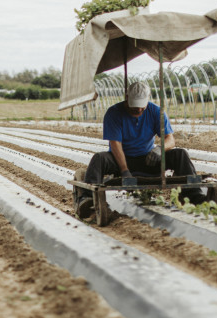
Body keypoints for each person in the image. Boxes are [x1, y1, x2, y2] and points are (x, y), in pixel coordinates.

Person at [75, 81, 204, 220]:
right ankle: (87, 199)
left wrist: (160, 149)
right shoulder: (114, 113)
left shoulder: (156, 112)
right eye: (134, 106)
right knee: (99, 158)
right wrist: (124, 171)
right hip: (121, 161)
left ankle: (193, 194)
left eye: (142, 106)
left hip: (148, 159)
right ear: (127, 97)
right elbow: (115, 144)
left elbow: (170, 139)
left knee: (180, 154)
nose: (138, 110)